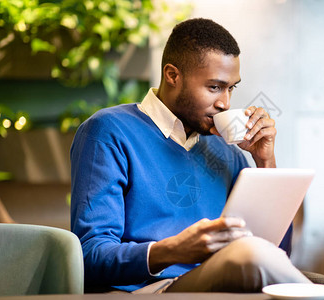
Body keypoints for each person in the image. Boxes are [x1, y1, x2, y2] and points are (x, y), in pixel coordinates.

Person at [70, 18, 311, 293]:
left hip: (217, 285)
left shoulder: (226, 150)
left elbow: (276, 252)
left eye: (231, 88)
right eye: (214, 87)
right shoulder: (108, 131)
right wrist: (172, 250)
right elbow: (90, 255)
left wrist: (264, 161)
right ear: (172, 75)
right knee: (250, 256)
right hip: (145, 290)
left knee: (254, 256)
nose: (225, 103)